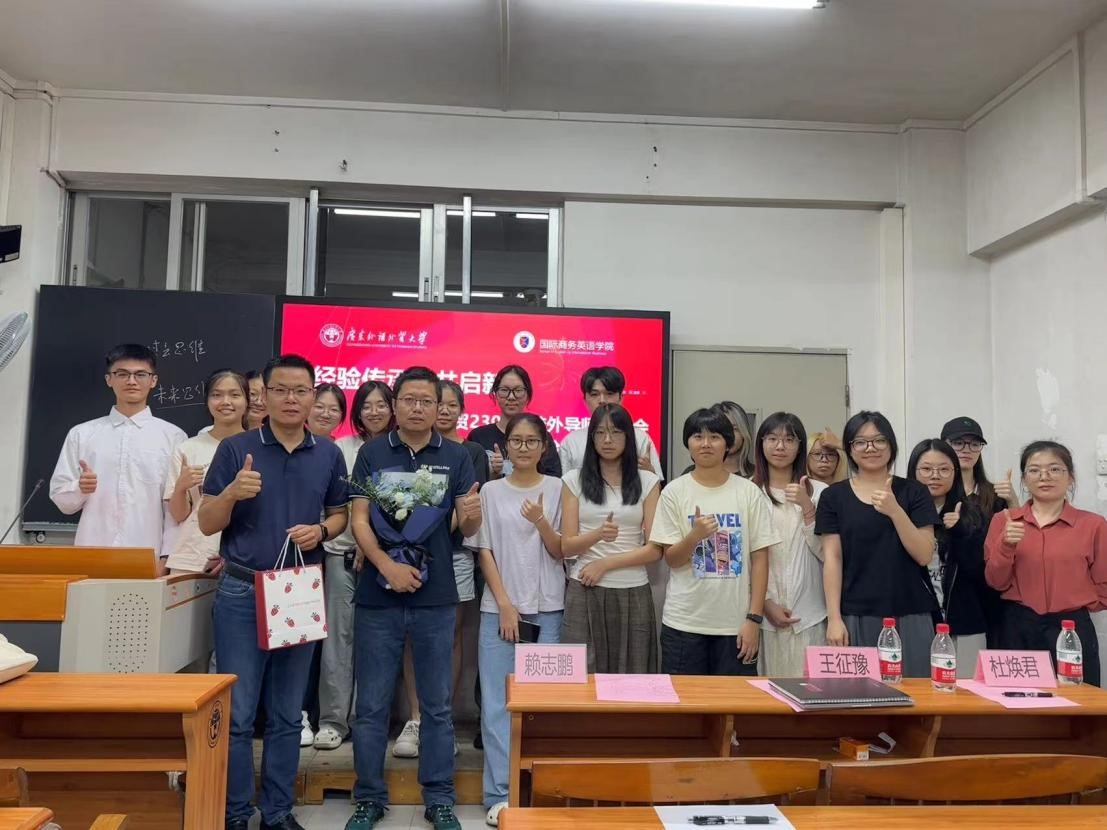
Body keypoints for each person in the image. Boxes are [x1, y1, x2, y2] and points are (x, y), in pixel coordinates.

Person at [199, 354, 349, 830]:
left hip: (299, 591)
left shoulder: (328, 453)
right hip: (242, 591)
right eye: (280, 390)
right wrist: (231, 493)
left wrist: (321, 531)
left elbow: (340, 514)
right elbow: (206, 522)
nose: (290, 399)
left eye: (300, 390)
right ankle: (236, 813)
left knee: (287, 713)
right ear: (263, 395)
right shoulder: (236, 449)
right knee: (239, 715)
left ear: (312, 396)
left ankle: (278, 813)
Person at [345, 367, 481, 830]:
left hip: (435, 595)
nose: (418, 408)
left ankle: (439, 798)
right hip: (378, 595)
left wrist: (473, 515)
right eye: (409, 399)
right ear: (395, 404)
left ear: (439, 406)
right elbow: (358, 519)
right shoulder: (372, 452)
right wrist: (386, 566)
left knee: (437, 705)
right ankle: (369, 797)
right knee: (371, 705)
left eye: (427, 400)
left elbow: (465, 527)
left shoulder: (456, 455)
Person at [470, 413, 565, 826]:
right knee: (497, 705)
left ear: (544, 447)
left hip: (548, 609)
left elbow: (560, 549)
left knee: (544, 704)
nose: (523, 447)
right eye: (516, 441)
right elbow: (484, 550)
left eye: (531, 441)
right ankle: (500, 794)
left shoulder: (559, 489)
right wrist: (505, 604)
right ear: (505, 446)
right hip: (499, 611)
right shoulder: (491, 491)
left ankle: (540, 791)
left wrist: (540, 521)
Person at [650, 408, 778, 675]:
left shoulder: (748, 492)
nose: (706, 443)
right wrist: (695, 536)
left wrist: (753, 619)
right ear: (688, 443)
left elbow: (760, 560)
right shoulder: (674, 492)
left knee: (735, 700)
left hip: (735, 626)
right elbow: (672, 559)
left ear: (728, 444)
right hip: (684, 624)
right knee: (685, 700)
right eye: (698, 436)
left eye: (715, 437)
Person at [817, 411, 938, 677]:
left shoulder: (915, 492)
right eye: (860, 442)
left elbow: (924, 554)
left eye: (879, 440)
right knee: (859, 696)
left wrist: (895, 511)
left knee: (916, 694)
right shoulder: (833, 497)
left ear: (891, 445)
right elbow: (833, 558)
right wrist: (834, 618)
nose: (870, 448)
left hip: (911, 612)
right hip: (856, 614)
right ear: (850, 449)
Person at [985, 440, 1107, 687]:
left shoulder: (1093, 525)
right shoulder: (1004, 521)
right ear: (1024, 479)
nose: (1044, 476)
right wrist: (1006, 545)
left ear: (1070, 477)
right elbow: (995, 582)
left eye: (1054, 469)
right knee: (1018, 703)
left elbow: (1103, 584)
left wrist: (1074, 602)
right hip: (1017, 627)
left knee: (1078, 703)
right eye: (1034, 470)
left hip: (1072, 629)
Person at [315, 381, 395, 751]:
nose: (374, 411)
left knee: (376, 643)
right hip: (339, 554)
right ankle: (332, 721)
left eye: (381, 404)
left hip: (384, 561)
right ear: (357, 411)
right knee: (337, 640)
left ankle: (367, 719)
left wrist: (372, 545)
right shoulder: (340, 449)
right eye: (367, 405)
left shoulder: (398, 450)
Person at [50, 343, 185, 557]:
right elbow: (62, 501)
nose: (131, 381)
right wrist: (80, 488)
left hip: (147, 552)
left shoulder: (173, 437)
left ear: (153, 380)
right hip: (92, 549)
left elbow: (175, 507)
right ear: (109, 379)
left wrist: (167, 556)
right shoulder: (81, 434)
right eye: (122, 374)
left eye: (140, 374)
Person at [561, 403, 661, 673]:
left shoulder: (648, 481)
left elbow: (655, 549)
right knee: (582, 676)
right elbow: (566, 545)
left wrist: (605, 564)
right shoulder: (573, 480)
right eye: (600, 432)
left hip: (632, 587)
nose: (607, 440)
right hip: (585, 587)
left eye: (616, 432)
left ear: (628, 437)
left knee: (633, 675)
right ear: (591, 437)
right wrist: (597, 535)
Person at [435, 380, 491, 745]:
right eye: (438, 402)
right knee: (413, 640)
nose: (443, 409)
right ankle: (416, 719)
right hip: (409, 556)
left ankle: (442, 716)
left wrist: (435, 533)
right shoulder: (413, 450)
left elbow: (472, 503)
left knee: (451, 636)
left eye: (451, 404)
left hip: (455, 553)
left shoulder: (472, 452)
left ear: (461, 409)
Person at [751, 413, 827, 677]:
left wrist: (807, 506)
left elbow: (827, 553)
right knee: (766, 693)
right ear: (761, 443)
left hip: (810, 613)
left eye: (789, 440)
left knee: (811, 692)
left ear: (800, 446)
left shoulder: (820, 491)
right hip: (762, 616)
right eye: (772, 438)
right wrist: (764, 602)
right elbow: (744, 558)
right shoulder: (748, 491)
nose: (780, 446)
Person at [907, 438, 987, 676]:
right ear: (913, 471)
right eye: (926, 469)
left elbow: (982, 573)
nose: (935, 476)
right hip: (917, 622)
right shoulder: (900, 515)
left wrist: (961, 532)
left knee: (967, 692)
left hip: (965, 624)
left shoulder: (973, 513)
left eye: (944, 469)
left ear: (955, 473)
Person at [162, 369, 248, 575]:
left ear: (247, 401)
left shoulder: (259, 448)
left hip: (242, 560)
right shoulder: (187, 448)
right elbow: (179, 515)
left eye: (234, 395)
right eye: (217, 395)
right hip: (192, 558)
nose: (225, 402)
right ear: (207, 401)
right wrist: (181, 487)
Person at [940, 416, 1013, 647]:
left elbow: (1009, 547)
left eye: (974, 444)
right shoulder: (936, 493)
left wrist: (1014, 501)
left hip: (984, 601)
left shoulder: (995, 496)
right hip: (943, 599)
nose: (966, 449)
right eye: (958, 442)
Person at [557, 366, 663, 478]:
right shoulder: (571, 442)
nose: (602, 400)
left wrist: (651, 474)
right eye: (594, 394)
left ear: (621, 398)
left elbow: (658, 485)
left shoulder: (640, 438)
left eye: (609, 394)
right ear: (585, 400)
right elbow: (562, 485)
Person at [467, 364, 561, 479]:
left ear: (528, 395)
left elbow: (554, 478)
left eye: (518, 390)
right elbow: (469, 480)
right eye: (504, 390)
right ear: (495, 394)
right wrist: (492, 473)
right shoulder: (478, 436)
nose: (511, 397)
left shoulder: (541, 436)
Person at [679, 400, 755, 478]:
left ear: (744, 433)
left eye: (734, 429)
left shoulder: (757, 475)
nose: (728, 435)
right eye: (720, 431)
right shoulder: (690, 474)